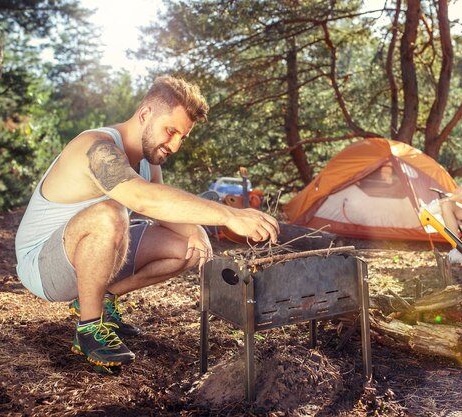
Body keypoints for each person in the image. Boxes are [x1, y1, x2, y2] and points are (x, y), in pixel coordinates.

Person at [15, 76, 279, 369]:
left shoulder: (148, 161)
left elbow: (162, 211)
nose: (175, 145)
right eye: (170, 131)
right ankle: (89, 329)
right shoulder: (96, 147)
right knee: (110, 213)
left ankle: (104, 300)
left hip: (87, 253)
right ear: (144, 115)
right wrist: (230, 215)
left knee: (187, 248)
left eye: (182, 137)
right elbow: (143, 199)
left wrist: (198, 233)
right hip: (42, 264)